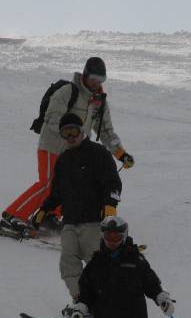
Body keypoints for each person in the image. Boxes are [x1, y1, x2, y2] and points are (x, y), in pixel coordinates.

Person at [1, 57, 134, 231]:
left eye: (101, 80)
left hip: (74, 151)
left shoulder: (99, 102)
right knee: (48, 183)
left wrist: (120, 154)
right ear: (85, 74)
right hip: (52, 146)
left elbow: (105, 131)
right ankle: (13, 215)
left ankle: (50, 216)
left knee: (67, 185)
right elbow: (52, 117)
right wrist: (73, 132)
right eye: (93, 78)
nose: (96, 83)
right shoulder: (68, 91)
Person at [31, 112, 123, 303]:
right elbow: (56, 193)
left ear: (82, 131)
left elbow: (113, 182)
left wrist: (110, 204)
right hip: (70, 222)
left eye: (73, 131)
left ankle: (107, 303)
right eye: (65, 133)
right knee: (68, 264)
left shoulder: (98, 153)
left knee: (97, 265)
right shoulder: (63, 160)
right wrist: (44, 210)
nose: (70, 137)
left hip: (93, 222)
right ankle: (82, 302)